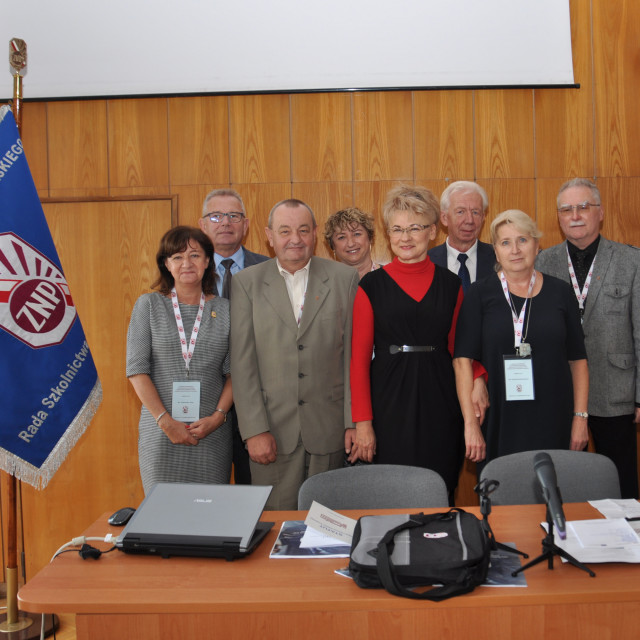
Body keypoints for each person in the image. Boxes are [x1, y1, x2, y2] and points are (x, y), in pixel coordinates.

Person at [349, 185, 482, 499]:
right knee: (392, 492)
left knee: (439, 487)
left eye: (414, 228)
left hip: (441, 400)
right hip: (389, 403)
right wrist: (363, 423)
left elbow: (460, 349)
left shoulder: (451, 285)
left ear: (433, 231)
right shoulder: (371, 285)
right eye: (396, 229)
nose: (404, 237)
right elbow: (357, 361)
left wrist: (479, 380)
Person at [230, 198, 359, 510]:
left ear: (315, 234)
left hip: (329, 430)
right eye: (285, 231)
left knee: (326, 525)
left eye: (303, 230)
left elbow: (352, 359)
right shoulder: (246, 283)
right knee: (275, 528)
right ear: (269, 236)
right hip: (272, 431)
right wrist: (254, 430)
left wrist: (354, 422)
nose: (295, 239)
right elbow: (242, 363)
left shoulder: (344, 279)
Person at [453, 210, 589, 471]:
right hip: (499, 418)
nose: (514, 250)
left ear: (537, 246)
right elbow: (462, 361)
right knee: (503, 500)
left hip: (554, 416)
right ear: (496, 250)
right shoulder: (480, 294)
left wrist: (580, 418)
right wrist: (470, 424)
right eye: (505, 242)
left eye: (523, 240)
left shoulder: (561, 292)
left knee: (552, 494)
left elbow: (578, 360)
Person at [536, 178, 640, 498]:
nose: (575, 215)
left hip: (615, 391)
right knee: (566, 483)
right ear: (558, 217)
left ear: (601, 213)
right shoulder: (543, 262)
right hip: (561, 392)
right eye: (566, 209)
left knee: (619, 481)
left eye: (584, 207)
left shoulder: (631, 260)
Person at [126, 226, 233, 494]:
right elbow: (137, 371)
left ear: (208, 261)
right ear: (166, 264)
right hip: (161, 434)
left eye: (195, 255)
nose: (187, 263)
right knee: (162, 519)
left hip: (210, 434)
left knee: (209, 519)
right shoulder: (148, 305)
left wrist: (218, 417)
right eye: (177, 257)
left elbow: (236, 373)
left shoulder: (226, 309)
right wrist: (166, 422)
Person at [199, 188, 269, 484]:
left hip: (259, 399)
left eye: (234, 215)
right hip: (204, 398)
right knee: (204, 494)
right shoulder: (188, 272)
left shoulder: (270, 270)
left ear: (246, 224)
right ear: (203, 225)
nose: (225, 222)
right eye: (216, 215)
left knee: (254, 491)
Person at [428, 180, 495, 292]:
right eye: (460, 212)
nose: (469, 220)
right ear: (444, 218)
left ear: (483, 217)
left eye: (475, 212)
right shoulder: (428, 261)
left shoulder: (498, 259)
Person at [323, 207, 381, 278]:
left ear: (370, 238)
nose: (351, 244)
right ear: (333, 246)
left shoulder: (391, 277)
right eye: (342, 237)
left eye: (357, 234)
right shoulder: (324, 285)